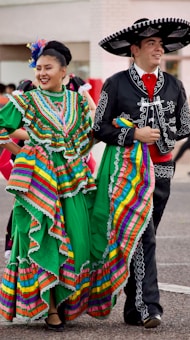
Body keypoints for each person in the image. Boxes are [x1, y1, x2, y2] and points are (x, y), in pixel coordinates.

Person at [92, 17, 190, 328]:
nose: (159, 49)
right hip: (127, 171)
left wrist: (164, 131)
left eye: (161, 44)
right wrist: (133, 135)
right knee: (144, 235)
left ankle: (134, 307)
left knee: (143, 236)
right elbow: (98, 127)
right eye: (151, 43)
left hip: (161, 170)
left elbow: (186, 126)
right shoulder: (115, 83)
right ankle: (148, 306)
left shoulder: (175, 85)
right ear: (134, 49)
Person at [0, 39, 97, 331]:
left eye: (48, 67)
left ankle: (66, 295)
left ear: (64, 71)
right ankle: (51, 308)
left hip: (72, 180)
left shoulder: (78, 102)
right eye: (38, 68)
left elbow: (88, 136)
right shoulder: (26, 100)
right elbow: (2, 128)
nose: (41, 73)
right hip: (40, 183)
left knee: (77, 241)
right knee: (45, 239)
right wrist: (28, 149)